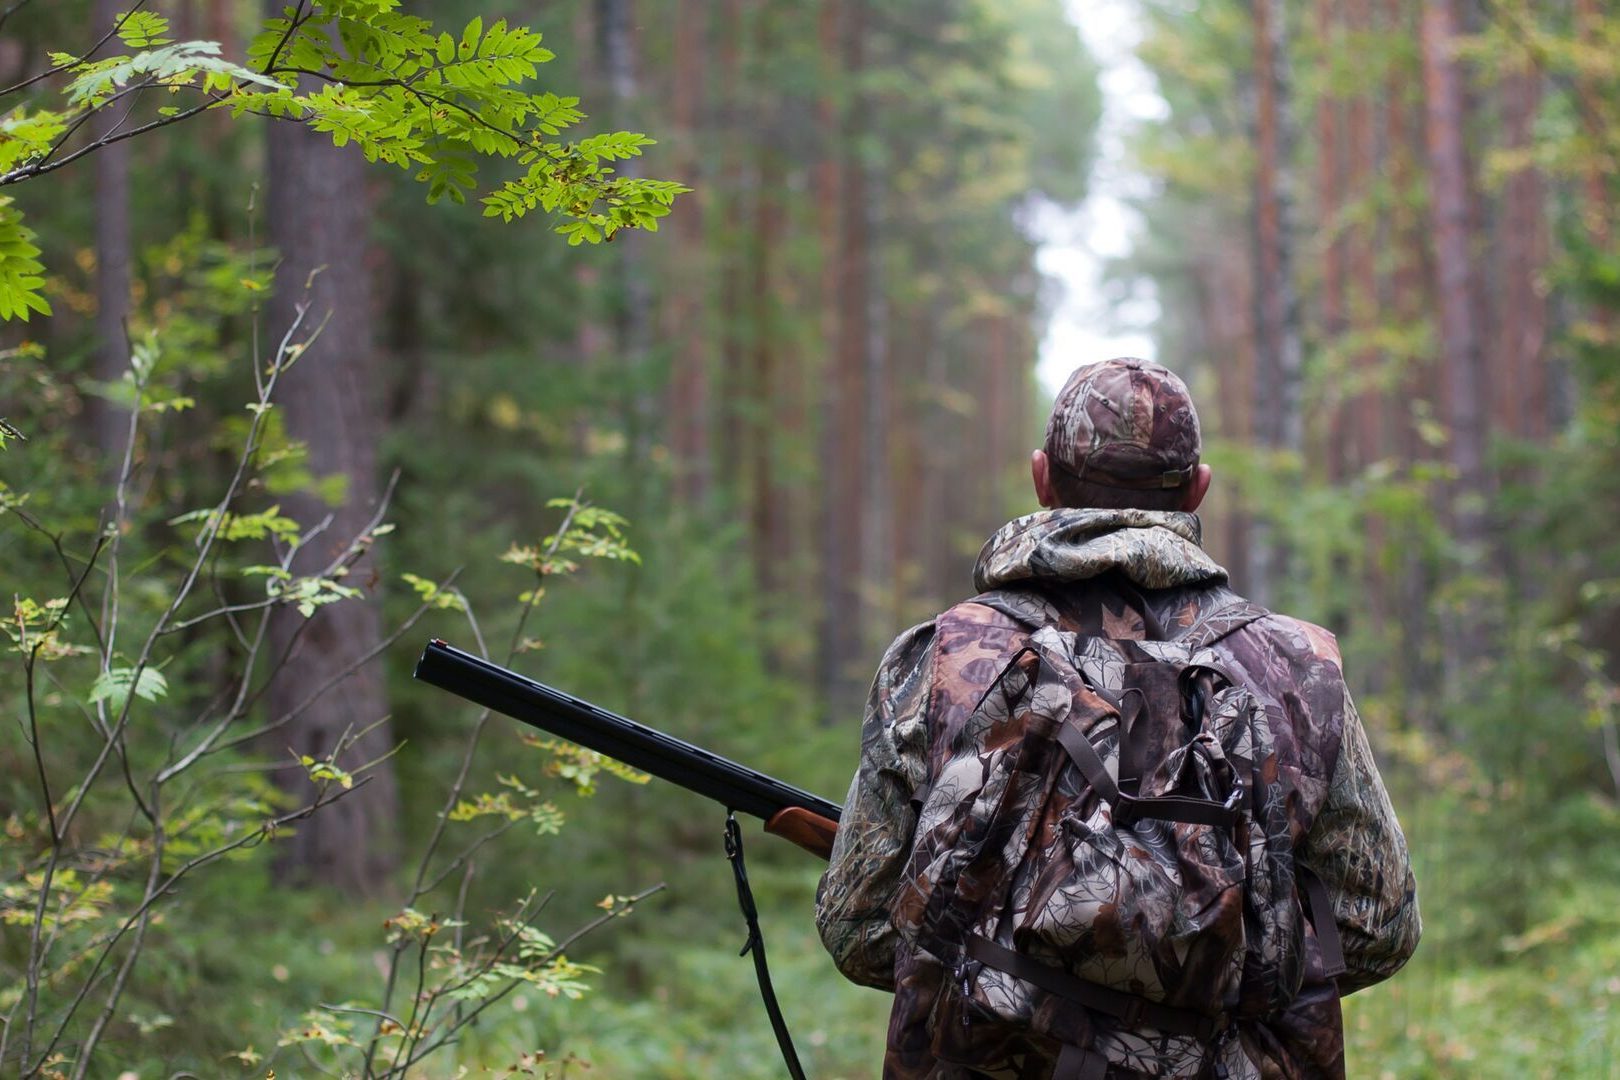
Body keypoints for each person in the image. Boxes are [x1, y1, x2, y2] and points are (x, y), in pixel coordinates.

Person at [815, 357, 1420, 1079]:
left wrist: (1026, 991)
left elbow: (860, 928)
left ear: (1042, 479)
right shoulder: (1298, 666)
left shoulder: (945, 657)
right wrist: (1211, 980)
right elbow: (1378, 925)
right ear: (1199, 489)